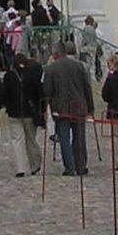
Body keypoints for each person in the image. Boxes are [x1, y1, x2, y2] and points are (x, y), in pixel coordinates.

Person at [43, 41, 94, 179]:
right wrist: (90, 107)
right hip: (79, 106)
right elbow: (87, 87)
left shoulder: (51, 69)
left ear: (55, 54)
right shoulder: (79, 66)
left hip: (61, 108)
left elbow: (47, 91)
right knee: (79, 137)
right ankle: (81, 165)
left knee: (64, 138)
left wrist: (46, 108)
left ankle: (70, 167)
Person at [3, 51, 45, 177]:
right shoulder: (32, 75)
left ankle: (20, 168)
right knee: (31, 139)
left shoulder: (9, 76)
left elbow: (4, 94)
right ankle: (35, 164)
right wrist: (42, 110)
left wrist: (7, 106)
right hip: (29, 112)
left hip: (14, 112)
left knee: (17, 140)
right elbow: (40, 93)